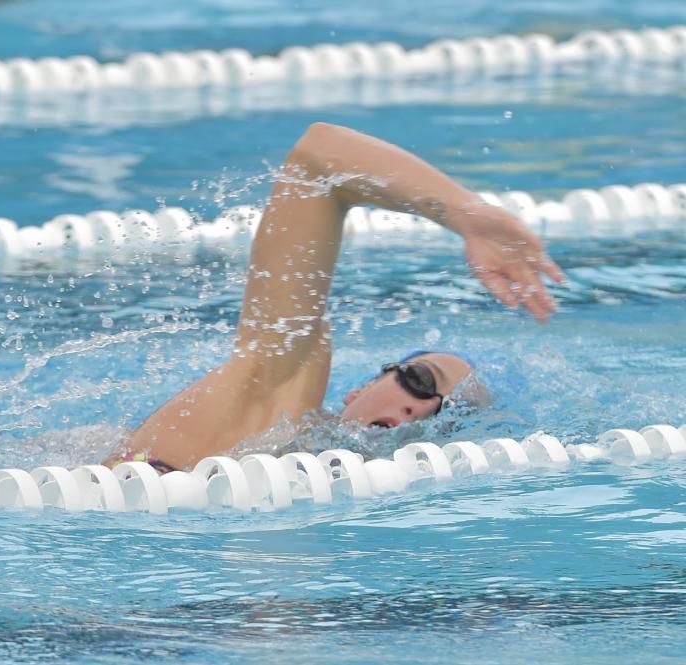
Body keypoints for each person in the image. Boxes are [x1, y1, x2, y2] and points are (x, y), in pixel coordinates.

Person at [108, 122, 566, 472]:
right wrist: (464, 212)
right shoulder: (274, 396)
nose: (422, 406)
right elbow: (319, 157)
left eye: (451, 413)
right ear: (360, 389)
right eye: (421, 379)